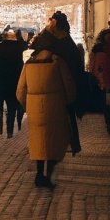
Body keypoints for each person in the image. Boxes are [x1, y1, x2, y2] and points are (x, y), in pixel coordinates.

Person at [16, 46, 76, 189]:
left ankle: (39, 174)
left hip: (35, 110)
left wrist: (27, 105)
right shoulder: (57, 62)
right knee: (53, 142)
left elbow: (20, 90)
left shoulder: (29, 64)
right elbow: (69, 84)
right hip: (55, 108)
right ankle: (47, 176)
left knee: (38, 143)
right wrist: (67, 101)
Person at [31, 11, 84, 153]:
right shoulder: (67, 42)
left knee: (52, 118)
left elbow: (36, 56)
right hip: (64, 86)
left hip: (53, 86)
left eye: (50, 22)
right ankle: (70, 142)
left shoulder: (50, 41)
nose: (48, 25)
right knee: (66, 116)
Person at [0, 28, 26, 137]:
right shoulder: (18, 52)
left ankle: (0, 128)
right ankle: (10, 131)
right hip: (14, 84)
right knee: (12, 108)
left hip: (0, 83)